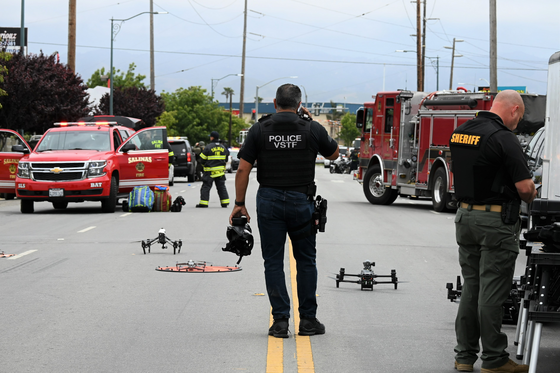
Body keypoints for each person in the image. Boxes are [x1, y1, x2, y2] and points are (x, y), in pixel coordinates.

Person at [229, 84, 339, 338]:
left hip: (269, 201)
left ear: (275, 103)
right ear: (299, 104)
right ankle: (308, 321)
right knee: (306, 261)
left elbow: (243, 169)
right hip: (302, 201)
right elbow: (333, 154)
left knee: (273, 262)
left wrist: (239, 202)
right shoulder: (311, 128)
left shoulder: (260, 129)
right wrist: (311, 120)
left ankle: (280, 322)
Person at [449, 90, 537, 373]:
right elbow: (525, 189)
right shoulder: (504, 138)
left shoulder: (461, 131)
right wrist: (533, 191)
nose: (518, 123)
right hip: (495, 223)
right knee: (492, 290)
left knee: (471, 287)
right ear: (513, 110)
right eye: (519, 117)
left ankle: (464, 356)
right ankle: (495, 359)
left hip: (465, 217)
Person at [196, 132, 230, 208]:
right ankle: (225, 202)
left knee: (206, 187)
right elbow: (226, 158)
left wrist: (205, 165)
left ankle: (204, 203)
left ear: (212, 138)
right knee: (221, 187)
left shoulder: (208, 147)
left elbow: (202, 159)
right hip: (220, 172)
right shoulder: (223, 147)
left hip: (210, 171)